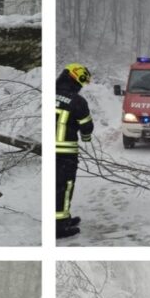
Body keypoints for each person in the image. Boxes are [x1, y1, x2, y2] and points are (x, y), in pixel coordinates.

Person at [55, 63, 94, 239]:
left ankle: (64, 218)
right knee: (64, 187)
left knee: (55, 187)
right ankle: (59, 226)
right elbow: (87, 127)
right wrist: (86, 140)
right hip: (65, 153)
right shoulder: (77, 101)